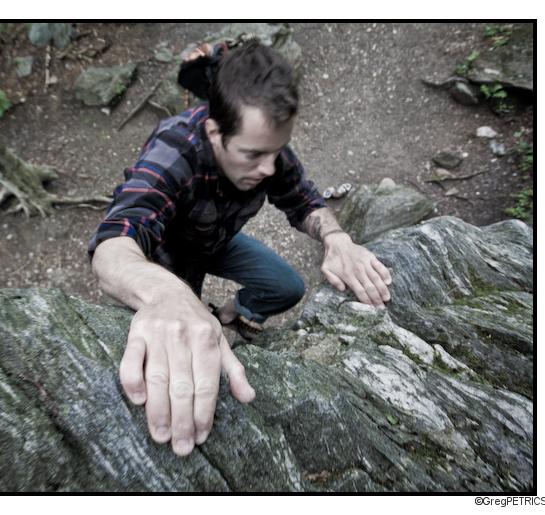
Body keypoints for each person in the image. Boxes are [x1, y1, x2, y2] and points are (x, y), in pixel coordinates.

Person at [87, 40, 392, 457]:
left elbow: (305, 201)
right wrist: (167, 294)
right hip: (164, 260)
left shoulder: (266, 149)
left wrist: (336, 238)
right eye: (252, 155)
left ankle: (228, 315)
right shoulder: (174, 149)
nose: (268, 168)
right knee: (183, 340)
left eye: (276, 151)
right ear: (214, 131)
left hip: (216, 242)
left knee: (286, 286)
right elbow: (112, 244)